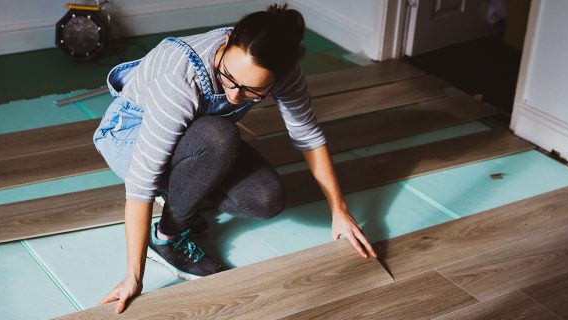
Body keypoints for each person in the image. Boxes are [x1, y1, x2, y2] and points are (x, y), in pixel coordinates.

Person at [92, 3, 377, 314]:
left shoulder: (285, 71)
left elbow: (307, 136)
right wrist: (134, 277)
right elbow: (141, 182)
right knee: (219, 135)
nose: (233, 95)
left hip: (197, 141)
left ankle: (184, 186)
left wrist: (339, 209)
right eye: (228, 77)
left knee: (266, 199)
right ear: (227, 43)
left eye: (252, 92)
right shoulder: (178, 76)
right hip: (128, 139)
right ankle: (167, 237)